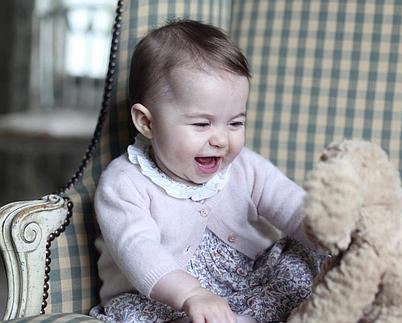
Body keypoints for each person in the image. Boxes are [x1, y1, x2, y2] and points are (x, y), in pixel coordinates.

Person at [89, 19, 322, 323]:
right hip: (168, 298)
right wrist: (191, 295)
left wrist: (331, 236)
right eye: (202, 124)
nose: (221, 139)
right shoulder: (123, 184)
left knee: (306, 262)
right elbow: (138, 250)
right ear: (147, 122)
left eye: (235, 123)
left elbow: (292, 206)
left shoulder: (244, 166)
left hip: (253, 278)